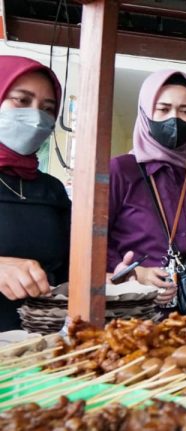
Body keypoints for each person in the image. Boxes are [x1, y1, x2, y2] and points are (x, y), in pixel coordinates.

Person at [108, 70, 186, 309]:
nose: (174, 119)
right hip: (134, 309)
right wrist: (134, 275)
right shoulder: (122, 169)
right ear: (145, 112)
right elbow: (94, 239)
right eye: (163, 109)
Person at [0, 56, 68, 330]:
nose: (37, 116)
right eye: (22, 100)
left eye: (48, 108)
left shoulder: (52, 190)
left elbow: (65, 272)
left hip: (37, 347)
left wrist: (113, 278)